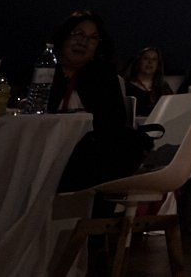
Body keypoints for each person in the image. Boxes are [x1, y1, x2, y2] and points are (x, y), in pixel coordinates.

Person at [47, 11, 145, 191]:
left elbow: (113, 125)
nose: (83, 42)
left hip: (87, 159)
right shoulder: (43, 71)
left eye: (92, 38)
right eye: (78, 34)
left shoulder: (103, 77)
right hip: (44, 147)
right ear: (63, 36)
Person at [121, 45, 170, 115]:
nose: (150, 62)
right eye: (146, 58)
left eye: (154, 59)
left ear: (158, 65)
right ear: (139, 62)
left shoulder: (163, 87)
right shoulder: (127, 86)